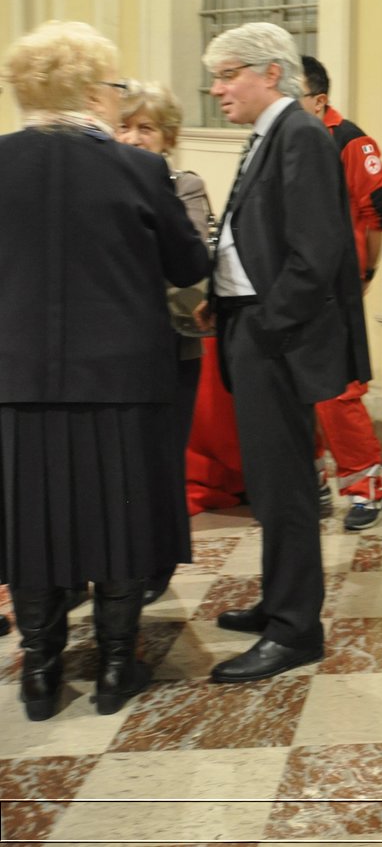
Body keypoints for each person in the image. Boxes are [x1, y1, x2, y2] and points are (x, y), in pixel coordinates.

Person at [0, 21, 208, 719]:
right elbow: (189, 264)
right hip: (123, 380)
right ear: (92, 92)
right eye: (115, 86)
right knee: (121, 523)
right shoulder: (138, 169)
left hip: (19, 380)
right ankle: (119, 667)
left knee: (33, 525)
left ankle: (40, 673)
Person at [197, 22, 369, 684]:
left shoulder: (299, 134)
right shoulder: (271, 134)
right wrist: (226, 296)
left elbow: (317, 252)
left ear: (271, 73)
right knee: (270, 482)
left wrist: (264, 321)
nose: (217, 89)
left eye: (228, 73)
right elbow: (254, 238)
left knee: (289, 487)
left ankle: (296, 629)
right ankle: (278, 602)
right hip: (252, 325)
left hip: (278, 338)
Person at [115, 80, 214, 604]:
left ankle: (157, 564)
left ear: (168, 137)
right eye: (124, 126)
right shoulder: (99, 184)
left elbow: (190, 270)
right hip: (114, 351)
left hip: (171, 346)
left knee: (159, 460)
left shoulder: (184, 186)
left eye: (145, 128)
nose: (132, 138)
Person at [299, 55, 382, 530]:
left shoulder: (352, 142)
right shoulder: (281, 140)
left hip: (336, 288)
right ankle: (312, 481)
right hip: (294, 287)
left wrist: (366, 270)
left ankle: (366, 490)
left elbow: (377, 213)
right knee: (299, 390)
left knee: (338, 392)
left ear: (319, 100)